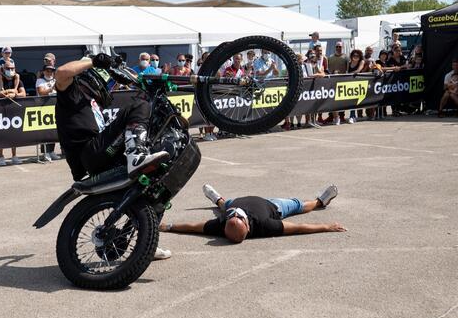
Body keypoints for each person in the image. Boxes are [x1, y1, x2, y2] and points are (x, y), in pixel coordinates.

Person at [55, 52, 172, 259]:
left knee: (157, 186)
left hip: (101, 156)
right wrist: (92, 61)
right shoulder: (71, 92)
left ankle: (145, 243)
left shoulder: (93, 105)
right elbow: (62, 72)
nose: (108, 89)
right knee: (139, 104)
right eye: (106, 84)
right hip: (90, 154)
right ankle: (136, 156)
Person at [159, 183, 344, 243]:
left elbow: (193, 227)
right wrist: (326, 227)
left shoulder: (222, 224)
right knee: (299, 205)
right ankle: (321, 200)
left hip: (234, 202)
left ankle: (216, 198)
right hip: (273, 206)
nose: (234, 216)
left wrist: (168, 226)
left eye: (232, 217)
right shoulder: (265, 225)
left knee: (223, 205)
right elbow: (297, 228)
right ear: (247, 227)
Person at [0, 60, 27, 165]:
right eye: (8, 68)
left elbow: (23, 94)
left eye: (12, 68)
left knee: (14, 133)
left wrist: (15, 94)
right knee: (1, 134)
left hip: (14, 110)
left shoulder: (18, 79)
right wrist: (8, 92)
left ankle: (14, 156)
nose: (10, 70)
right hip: (1, 110)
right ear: (3, 69)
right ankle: (0, 156)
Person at [35, 64, 60, 162]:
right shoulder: (40, 81)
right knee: (45, 131)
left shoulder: (55, 80)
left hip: (55, 107)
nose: (50, 72)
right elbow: (41, 92)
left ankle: (52, 151)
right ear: (44, 71)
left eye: (52, 71)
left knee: (54, 130)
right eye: (48, 70)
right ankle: (45, 152)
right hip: (44, 108)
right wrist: (52, 88)